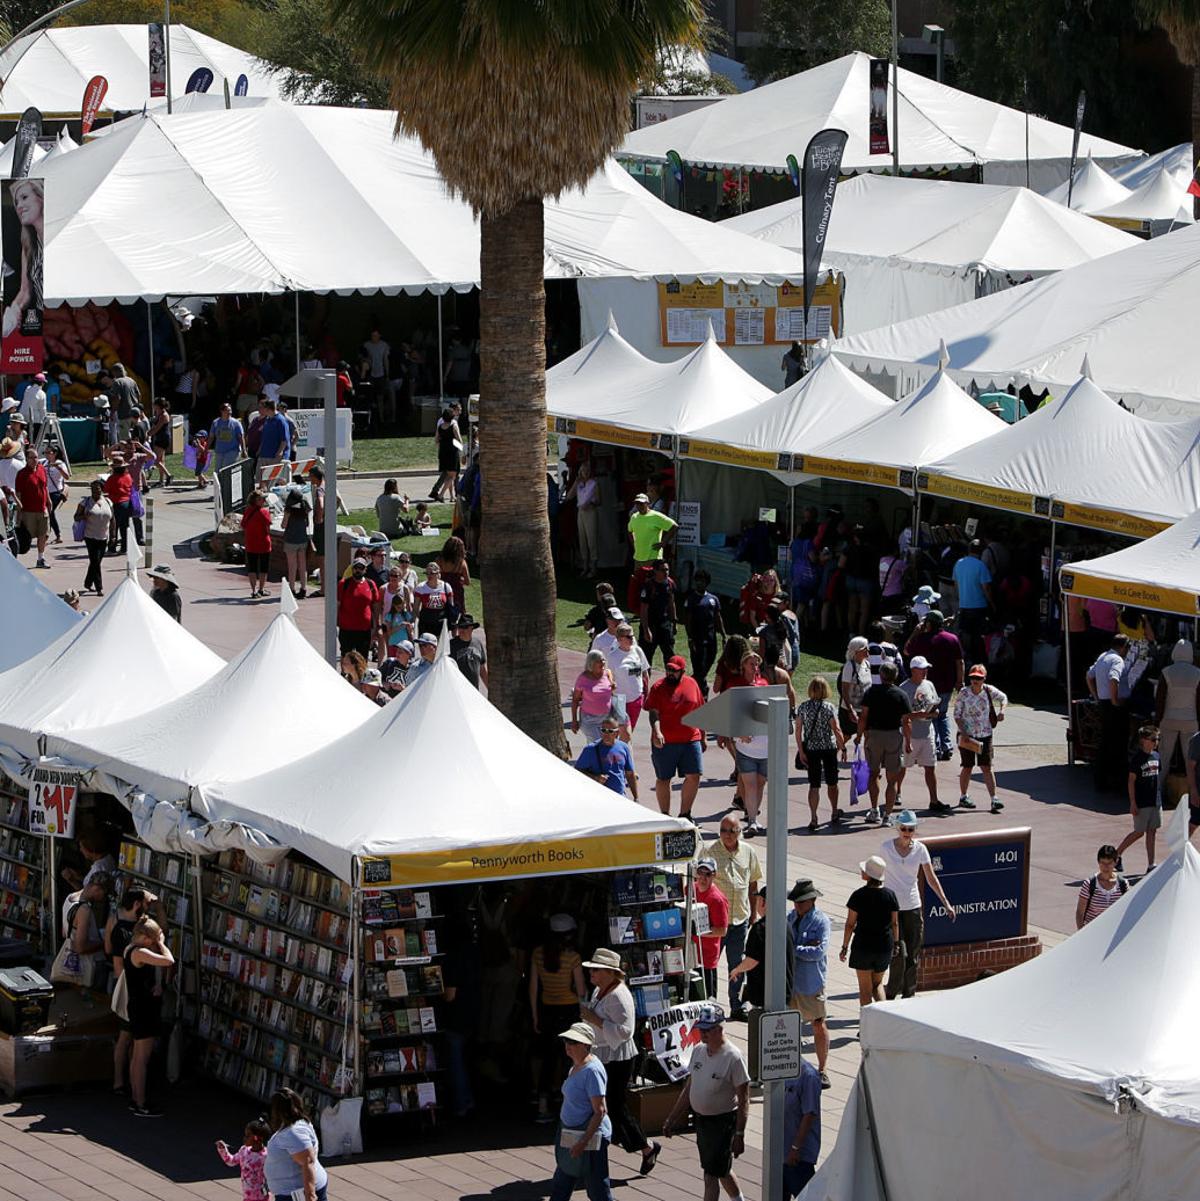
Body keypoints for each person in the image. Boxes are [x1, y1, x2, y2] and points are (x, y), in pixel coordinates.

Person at [579, 948, 660, 1176]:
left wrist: (594, 1019)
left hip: (618, 1057)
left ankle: (645, 1146)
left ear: (608, 972)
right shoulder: (599, 990)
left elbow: (625, 1031)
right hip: (603, 1054)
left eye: (595, 969)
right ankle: (640, 1146)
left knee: (614, 1106)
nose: (591, 973)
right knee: (604, 1105)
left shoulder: (619, 995)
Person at [662, 1005, 750, 1201]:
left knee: (711, 1174)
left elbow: (744, 1099)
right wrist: (671, 1118)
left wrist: (739, 1134)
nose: (703, 1034)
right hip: (702, 1123)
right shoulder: (699, 1051)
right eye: (701, 1029)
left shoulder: (733, 1058)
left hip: (722, 1123)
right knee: (720, 1170)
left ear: (720, 1029)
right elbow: (688, 1089)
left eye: (707, 1030)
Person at [880, 812, 955, 999]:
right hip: (893, 909)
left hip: (913, 906)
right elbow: (877, 876)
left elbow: (930, 877)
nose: (907, 832)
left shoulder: (921, 849)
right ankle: (890, 997)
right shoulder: (886, 848)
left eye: (910, 829)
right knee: (898, 954)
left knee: (913, 955)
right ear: (898, 828)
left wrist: (945, 903)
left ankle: (909, 996)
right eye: (903, 829)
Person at [547, 1021, 614, 1201]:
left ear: (585, 1045)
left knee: (597, 1189)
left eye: (573, 1042)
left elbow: (600, 1111)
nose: (568, 1046)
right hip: (572, 1133)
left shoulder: (592, 1071)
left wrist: (582, 1143)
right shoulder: (576, 1065)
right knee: (562, 1182)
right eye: (566, 1041)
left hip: (589, 1138)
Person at [529, 914, 585, 1124]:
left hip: (546, 1010)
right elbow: (580, 990)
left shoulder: (537, 954)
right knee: (570, 1058)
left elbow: (533, 987)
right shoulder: (573, 958)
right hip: (569, 1011)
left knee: (547, 1058)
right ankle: (567, 1103)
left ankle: (543, 1104)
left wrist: (535, 1015)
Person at [706, 816, 762, 1021]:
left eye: (731, 830)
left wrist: (754, 913)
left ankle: (736, 1006)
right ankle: (709, 1004)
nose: (726, 835)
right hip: (716, 922)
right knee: (710, 964)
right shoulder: (710, 851)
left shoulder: (748, 852)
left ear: (739, 831)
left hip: (740, 919)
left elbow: (753, 884)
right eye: (722, 830)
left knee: (737, 965)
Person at [105, 886, 155, 1094]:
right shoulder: (126, 931)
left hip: (130, 989)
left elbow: (107, 950)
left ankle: (126, 1082)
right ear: (136, 904)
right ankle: (121, 1082)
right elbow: (118, 967)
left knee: (129, 1037)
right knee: (126, 1037)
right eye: (145, 904)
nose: (147, 909)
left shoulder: (116, 922)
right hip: (129, 990)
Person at [124, 915, 174, 1116]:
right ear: (145, 937)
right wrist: (162, 944)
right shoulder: (140, 952)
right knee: (142, 1058)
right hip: (144, 1009)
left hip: (137, 1006)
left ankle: (136, 1098)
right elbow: (169, 961)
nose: (153, 944)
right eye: (151, 940)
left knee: (137, 1056)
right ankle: (142, 1103)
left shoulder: (129, 949)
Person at [646, 655, 705, 820]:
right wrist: (657, 732)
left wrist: (703, 737)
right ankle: (665, 815)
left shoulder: (692, 684)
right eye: (668, 669)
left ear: (682, 671)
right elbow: (653, 713)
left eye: (674, 670)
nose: (670, 673)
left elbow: (700, 711)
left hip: (690, 739)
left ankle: (685, 814)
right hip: (665, 742)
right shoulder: (658, 687)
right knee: (664, 778)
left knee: (694, 775)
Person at [785, 878, 831, 1087]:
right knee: (789, 1026)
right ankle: (793, 1067)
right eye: (795, 902)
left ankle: (822, 1070)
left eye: (801, 902)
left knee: (818, 1024)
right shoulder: (790, 918)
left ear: (812, 901)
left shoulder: (821, 922)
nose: (797, 906)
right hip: (790, 982)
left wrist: (795, 949)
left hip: (811, 983)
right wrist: (803, 947)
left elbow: (818, 952)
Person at [840, 856, 899, 1008]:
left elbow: (850, 924)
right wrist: (896, 943)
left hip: (863, 946)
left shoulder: (858, 895)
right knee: (877, 984)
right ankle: (885, 1017)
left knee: (865, 989)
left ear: (869, 875)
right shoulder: (890, 895)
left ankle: (866, 1027)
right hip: (884, 945)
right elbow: (895, 923)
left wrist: (844, 947)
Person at [858, 662, 913, 826]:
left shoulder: (871, 692)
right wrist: (908, 741)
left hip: (874, 736)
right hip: (893, 736)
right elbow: (906, 721)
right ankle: (888, 816)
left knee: (874, 774)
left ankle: (874, 809)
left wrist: (860, 735)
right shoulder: (901, 695)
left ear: (881, 675)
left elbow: (863, 717)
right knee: (892, 779)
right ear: (895, 676)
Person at [904, 609, 963, 760]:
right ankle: (947, 745)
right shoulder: (952, 639)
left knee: (931, 716)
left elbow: (906, 650)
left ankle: (936, 747)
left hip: (928, 686)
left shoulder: (920, 639)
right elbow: (959, 662)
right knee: (942, 715)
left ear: (929, 623)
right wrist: (959, 681)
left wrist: (915, 632)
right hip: (947, 685)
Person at [954, 664, 1007, 812]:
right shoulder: (964, 693)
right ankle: (964, 796)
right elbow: (957, 715)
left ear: (984, 678)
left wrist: (1002, 711)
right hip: (967, 736)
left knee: (987, 767)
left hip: (985, 734)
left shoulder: (989, 691)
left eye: (978, 678)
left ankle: (994, 798)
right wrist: (964, 732)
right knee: (967, 766)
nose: (975, 681)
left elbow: (1004, 698)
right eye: (972, 678)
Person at [797, 676, 847, 831]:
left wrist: (801, 750)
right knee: (832, 782)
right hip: (828, 749)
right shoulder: (829, 707)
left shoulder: (803, 707)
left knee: (814, 784)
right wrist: (843, 747)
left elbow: (798, 730)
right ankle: (834, 811)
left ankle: (813, 817)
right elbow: (836, 729)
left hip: (811, 749)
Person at [900, 656, 947, 813]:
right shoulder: (904, 688)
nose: (925, 671)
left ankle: (934, 800)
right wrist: (916, 715)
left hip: (928, 733)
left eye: (926, 668)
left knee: (930, 767)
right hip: (910, 734)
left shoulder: (929, 685)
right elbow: (901, 716)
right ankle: (896, 793)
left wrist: (935, 712)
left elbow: (934, 703)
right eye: (922, 668)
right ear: (913, 670)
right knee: (903, 767)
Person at [731, 651, 770, 836]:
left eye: (757, 664)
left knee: (760, 784)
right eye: (751, 664)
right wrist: (738, 734)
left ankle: (753, 816)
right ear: (743, 665)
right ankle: (752, 820)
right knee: (750, 785)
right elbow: (730, 716)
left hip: (765, 746)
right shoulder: (737, 686)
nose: (755, 667)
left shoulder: (764, 684)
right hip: (745, 748)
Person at [265, 1088, 328, 1201]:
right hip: (292, 1191)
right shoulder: (296, 1124)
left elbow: (307, 1161)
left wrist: (310, 1195)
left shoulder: (293, 1133)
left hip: (297, 1194)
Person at [1087, 634, 1132, 793]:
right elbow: (1114, 679)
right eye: (1128, 647)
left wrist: (1096, 696)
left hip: (1104, 703)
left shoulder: (1102, 657)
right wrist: (1114, 700)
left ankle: (1101, 779)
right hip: (1114, 706)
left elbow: (1089, 675)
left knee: (1105, 741)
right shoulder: (1118, 660)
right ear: (1123, 646)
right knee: (1118, 743)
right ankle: (1118, 781)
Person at [1116, 725, 1161, 873]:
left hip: (1155, 801)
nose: (1156, 742)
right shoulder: (1137, 759)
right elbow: (1131, 781)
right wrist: (1133, 802)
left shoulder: (1156, 756)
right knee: (1139, 832)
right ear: (1144, 740)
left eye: (1157, 739)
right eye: (1153, 739)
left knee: (1152, 831)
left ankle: (1151, 864)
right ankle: (1117, 854)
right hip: (1142, 802)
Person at [1156, 640, 1200, 793]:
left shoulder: (1166, 672)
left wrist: (1158, 720)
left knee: (1164, 757)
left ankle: (1157, 791)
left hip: (1168, 720)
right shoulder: (1198, 673)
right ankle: (1191, 793)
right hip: (1190, 721)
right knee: (1191, 760)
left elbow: (1160, 699)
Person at [3, 179, 42, 344]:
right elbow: (25, 291)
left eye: (25, 197)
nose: (19, 206)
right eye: (17, 201)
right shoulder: (28, 244)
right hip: (37, 319)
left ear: (41, 198)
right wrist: (13, 311)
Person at [783, 1059, 823, 1198]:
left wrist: (795, 1148)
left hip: (798, 1157)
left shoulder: (808, 1076)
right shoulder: (776, 1068)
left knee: (807, 1196)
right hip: (779, 1153)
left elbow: (810, 1114)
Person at [692, 857, 729, 1001]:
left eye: (708, 874)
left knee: (708, 1000)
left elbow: (722, 931)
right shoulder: (691, 889)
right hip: (690, 955)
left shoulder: (718, 899)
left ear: (714, 875)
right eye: (700, 872)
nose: (703, 877)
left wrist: (697, 931)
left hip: (707, 959)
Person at [684, 568, 725, 697]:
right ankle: (703, 692)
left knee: (709, 661)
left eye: (703, 581)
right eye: (698, 581)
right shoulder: (691, 599)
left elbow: (718, 618)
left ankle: (692, 683)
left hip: (711, 638)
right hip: (697, 638)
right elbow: (688, 620)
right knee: (699, 666)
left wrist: (723, 634)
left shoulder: (713, 599)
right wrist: (690, 638)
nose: (700, 583)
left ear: (707, 582)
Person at [953, 539, 993, 660]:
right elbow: (986, 588)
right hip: (979, 606)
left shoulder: (958, 563)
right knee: (978, 635)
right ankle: (978, 659)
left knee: (965, 633)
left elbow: (956, 584)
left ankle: (967, 657)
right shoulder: (981, 566)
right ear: (981, 551)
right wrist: (992, 603)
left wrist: (961, 598)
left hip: (964, 605)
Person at [575, 720, 637, 798]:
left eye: (610, 731)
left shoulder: (624, 747)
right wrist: (595, 778)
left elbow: (630, 774)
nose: (606, 734)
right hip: (599, 798)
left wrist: (636, 798)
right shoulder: (590, 749)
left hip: (620, 796)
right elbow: (577, 772)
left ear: (617, 733)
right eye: (603, 730)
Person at [608, 623, 649, 739]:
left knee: (630, 732)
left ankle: (623, 753)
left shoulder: (638, 651)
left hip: (636, 698)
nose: (632, 639)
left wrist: (646, 693)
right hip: (620, 700)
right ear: (619, 639)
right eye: (628, 637)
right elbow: (608, 677)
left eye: (632, 636)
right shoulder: (612, 656)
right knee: (624, 733)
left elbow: (645, 673)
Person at [1075, 843, 1128, 929]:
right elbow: (1080, 912)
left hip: (1113, 932)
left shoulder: (1123, 884)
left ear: (1116, 862)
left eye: (1109, 863)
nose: (1105, 867)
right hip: (1092, 931)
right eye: (1102, 863)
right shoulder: (1089, 884)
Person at [216, 1119, 271, 1201]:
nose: (244, 1138)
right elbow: (231, 1161)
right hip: (247, 1196)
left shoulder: (266, 1156)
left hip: (262, 1197)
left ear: (256, 1138)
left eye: (247, 1136)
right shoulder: (244, 1150)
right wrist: (223, 1150)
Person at [337, 556, 381, 657]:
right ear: (352, 569)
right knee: (347, 657)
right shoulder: (344, 584)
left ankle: (360, 674)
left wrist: (375, 625)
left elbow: (375, 606)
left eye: (361, 568)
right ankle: (345, 673)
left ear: (365, 570)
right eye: (356, 568)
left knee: (362, 658)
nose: (358, 570)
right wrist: (336, 623)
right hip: (346, 629)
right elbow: (338, 605)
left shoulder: (371, 584)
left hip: (364, 629)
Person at [572, 649, 618, 744]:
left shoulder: (607, 673)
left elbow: (611, 690)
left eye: (603, 660)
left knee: (607, 744)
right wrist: (574, 720)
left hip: (606, 718)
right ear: (591, 663)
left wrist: (613, 687)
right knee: (596, 744)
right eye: (599, 661)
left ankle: (593, 758)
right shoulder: (583, 678)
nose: (603, 663)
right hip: (589, 720)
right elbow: (575, 700)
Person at [638, 559, 677, 669]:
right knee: (646, 657)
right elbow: (644, 609)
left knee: (669, 656)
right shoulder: (648, 586)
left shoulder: (670, 584)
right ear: (655, 571)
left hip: (664, 624)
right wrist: (646, 630)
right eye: (662, 570)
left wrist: (673, 623)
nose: (666, 572)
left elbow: (671, 603)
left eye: (667, 570)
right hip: (651, 624)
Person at [15, 448, 50, 568]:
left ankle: (41, 558)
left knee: (43, 534)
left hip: (42, 509)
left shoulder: (41, 469)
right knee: (25, 537)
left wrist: (48, 502)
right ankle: (17, 561)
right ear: (26, 459)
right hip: (28, 511)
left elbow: (45, 487)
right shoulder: (22, 474)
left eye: (36, 457)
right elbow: (18, 494)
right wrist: (19, 514)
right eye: (31, 457)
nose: (34, 460)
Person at [76, 479, 112, 595]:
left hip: (103, 536)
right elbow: (76, 517)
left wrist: (114, 535)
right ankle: (99, 588)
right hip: (90, 536)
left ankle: (88, 582)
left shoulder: (108, 501)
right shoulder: (85, 502)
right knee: (95, 561)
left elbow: (113, 519)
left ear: (102, 489)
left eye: (97, 488)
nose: (95, 491)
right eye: (93, 489)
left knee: (96, 562)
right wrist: (83, 516)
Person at [566, 460, 601, 577]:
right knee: (582, 539)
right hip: (581, 511)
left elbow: (598, 500)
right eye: (583, 471)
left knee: (591, 539)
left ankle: (593, 568)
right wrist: (575, 483)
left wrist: (591, 503)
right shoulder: (579, 484)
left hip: (590, 511)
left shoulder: (594, 483)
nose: (585, 473)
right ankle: (585, 566)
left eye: (587, 471)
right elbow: (569, 496)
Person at [627, 492, 676, 568]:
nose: (639, 506)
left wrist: (664, 542)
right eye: (637, 503)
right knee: (639, 579)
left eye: (641, 503)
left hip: (653, 558)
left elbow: (674, 526)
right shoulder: (634, 517)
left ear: (647, 503)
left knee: (652, 579)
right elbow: (629, 531)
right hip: (638, 558)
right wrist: (634, 544)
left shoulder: (656, 516)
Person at [240, 490, 272, 600]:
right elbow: (268, 529)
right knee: (263, 568)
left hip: (250, 543)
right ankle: (261, 589)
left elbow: (243, 525)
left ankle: (253, 591)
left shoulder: (248, 511)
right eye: (262, 499)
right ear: (256, 500)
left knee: (252, 568)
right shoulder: (264, 512)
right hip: (263, 543)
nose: (264, 500)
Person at [281, 489, 312, 599]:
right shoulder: (304, 508)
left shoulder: (289, 509)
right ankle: (303, 588)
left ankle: (292, 588)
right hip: (302, 539)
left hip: (291, 540)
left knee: (292, 566)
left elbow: (284, 525)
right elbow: (307, 524)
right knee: (303, 566)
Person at [839, 636, 871, 738]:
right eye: (865, 648)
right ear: (857, 651)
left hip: (864, 710)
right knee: (846, 736)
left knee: (867, 735)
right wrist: (850, 710)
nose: (868, 650)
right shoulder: (849, 666)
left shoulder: (867, 664)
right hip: (850, 710)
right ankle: (835, 752)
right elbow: (844, 690)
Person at [414, 560, 455, 637]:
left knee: (439, 647)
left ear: (438, 573)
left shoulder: (446, 587)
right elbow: (416, 608)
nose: (429, 575)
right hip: (425, 624)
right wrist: (422, 618)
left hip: (441, 623)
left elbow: (451, 606)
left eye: (432, 573)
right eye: (427, 573)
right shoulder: (420, 587)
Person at [255, 397, 290, 484]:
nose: (262, 410)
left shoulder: (280, 420)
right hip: (264, 454)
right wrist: (259, 449)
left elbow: (284, 439)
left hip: (274, 456)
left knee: (274, 481)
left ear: (268, 409)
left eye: (263, 408)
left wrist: (280, 452)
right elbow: (264, 436)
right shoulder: (267, 419)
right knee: (260, 479)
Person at [103, 453, 134, 554]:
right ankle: (124, 548)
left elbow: (106, 489)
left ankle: (112, 548)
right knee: (124, 527)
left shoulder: (112, 478)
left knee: (114, 527)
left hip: (116, 503)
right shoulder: (128, 476)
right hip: (126, 503)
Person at [432, 404, 462, 502]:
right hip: (452, 452)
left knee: (448, 474)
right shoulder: (453, 426)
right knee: (452, 475)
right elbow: (459, 439)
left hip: (443, 452)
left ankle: (450, 496)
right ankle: (441, 495)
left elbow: (436, 440)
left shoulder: (440, 427)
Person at [450, 613, 488, 689]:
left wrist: (489, 688)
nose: (461, 630)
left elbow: (482, 669)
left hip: (474, 691)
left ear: (471, 628)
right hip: (457, 690)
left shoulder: (478, 643)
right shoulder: (451, 644)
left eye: (465, 627)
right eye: (460, 627)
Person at [209, 402, 247, 473]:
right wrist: (206, 448)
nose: (229, 412)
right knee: (218, 471)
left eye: (230, 410)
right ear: (222, 411)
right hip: (219, 451)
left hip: (232, 450)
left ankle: (226, 483)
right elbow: (211, 437)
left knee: (226, 469)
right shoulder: (216, 423)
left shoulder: (236, 423)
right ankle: (220, 484)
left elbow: (241, 437)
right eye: (227, 410)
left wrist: (244, 450)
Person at [438, 535, 471, 613]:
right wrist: (461, 580)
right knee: (457, 613)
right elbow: (468, 582)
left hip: (442, 589)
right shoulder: (461, 563)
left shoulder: (439, 560)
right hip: (456, 592)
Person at [44, 444, 69, 544]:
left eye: (48, 453)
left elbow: (67, 477)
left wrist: (59, 468)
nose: (46, 455)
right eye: (45, 452)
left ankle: (48, 535)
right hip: (46, 492)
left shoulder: (60, 463)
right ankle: (57, 535)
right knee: (50, 514)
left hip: (56, 493)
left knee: (49, 513)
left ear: (55, 454)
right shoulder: (45, 462)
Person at [148, 400, 173, 488]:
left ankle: (168, 475)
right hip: (160, 437)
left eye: (154, 405)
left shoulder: (164, 415)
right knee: (161, 460)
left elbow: (157, 428)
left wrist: (147, 434)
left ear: (158, 406)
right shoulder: (159, 414)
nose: (153, 407)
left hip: (163, 438)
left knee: (156, 460)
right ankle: (161, 481)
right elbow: (154, 426)